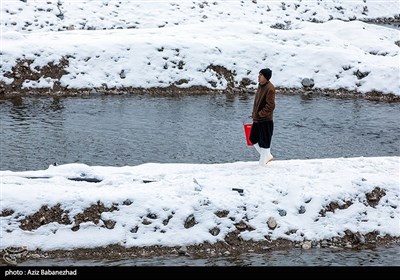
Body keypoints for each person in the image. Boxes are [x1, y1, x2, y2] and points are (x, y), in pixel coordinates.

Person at [249, 68, 276, 166]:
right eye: (259, 74)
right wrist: (254, 114)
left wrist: (260, 114)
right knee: (252, 138)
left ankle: (262, 165)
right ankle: (267, 156)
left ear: (266, 77)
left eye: (261, 75)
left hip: (265, 120)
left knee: (264, 143)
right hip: (257, 119)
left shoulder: (270, 88)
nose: (259, 76)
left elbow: (271, 106)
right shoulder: (260, 86)